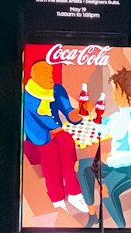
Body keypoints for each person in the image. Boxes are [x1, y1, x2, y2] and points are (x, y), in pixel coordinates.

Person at [23, 58, 89, 214]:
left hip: (58, 134)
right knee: (50, 148)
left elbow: (69, 114)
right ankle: (57, 198)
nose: (50, 76)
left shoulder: (57, 90)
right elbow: (35, 133)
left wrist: (80, 111)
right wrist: (54, 133)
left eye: (50, 72)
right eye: (45, 73)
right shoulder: (25, 98)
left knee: (66, 139)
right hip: (35, 142)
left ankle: (74, 192)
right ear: (33, 76)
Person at [78, 66, 131, 229]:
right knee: (83, 166)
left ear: (127, 93)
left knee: (106, 190)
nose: (113, 94)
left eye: (116, 91)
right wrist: (89, 115)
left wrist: (108, 159)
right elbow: (101, 128)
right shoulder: (119, 116)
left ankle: (122, 229)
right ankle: (92, 216)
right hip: (115, 164)